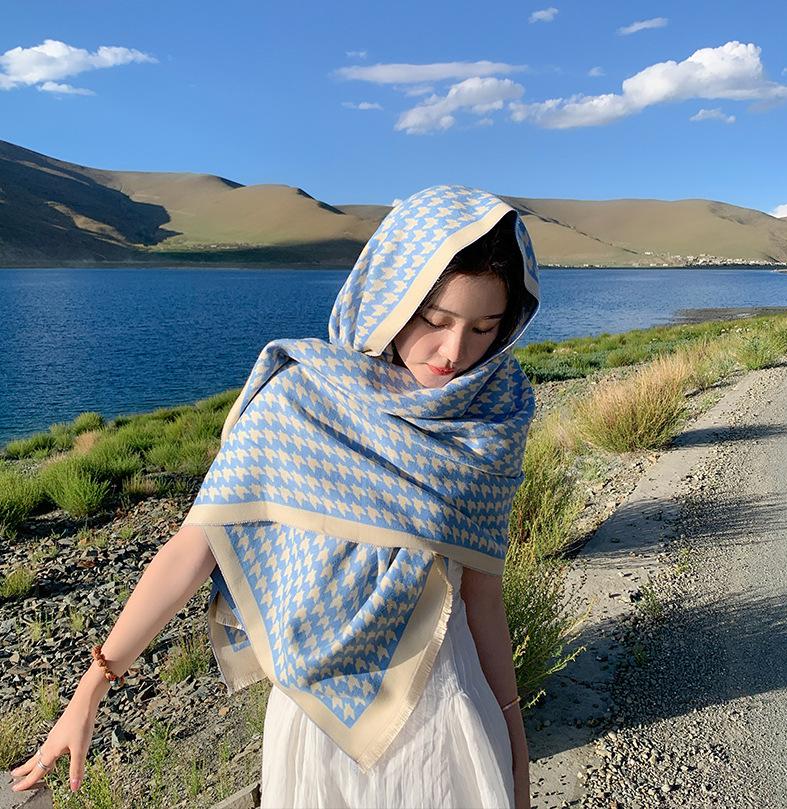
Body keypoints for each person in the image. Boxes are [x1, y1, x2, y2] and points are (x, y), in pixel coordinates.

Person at [10, 184, 541, 809]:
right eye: (436, 320)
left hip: (445, 716)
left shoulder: (489, 423)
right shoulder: (296, 403)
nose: (455, 352)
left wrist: (512, 735)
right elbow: (194, 550)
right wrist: (90, 690)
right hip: (314, 725)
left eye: (484, 328)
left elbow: (482, 598)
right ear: (390, 295)